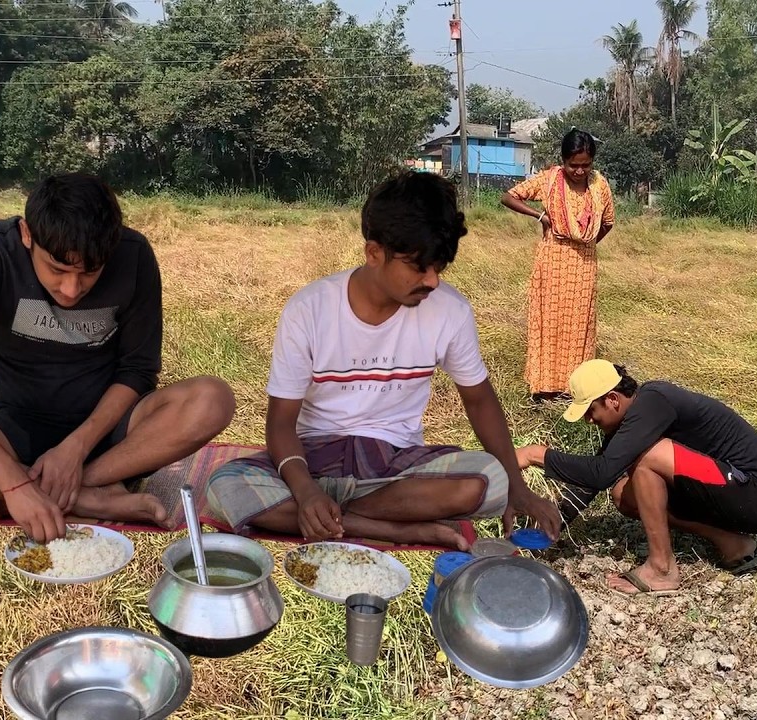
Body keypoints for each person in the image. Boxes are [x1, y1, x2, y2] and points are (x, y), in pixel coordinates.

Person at [205, 171, 560, 550]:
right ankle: (390, 528)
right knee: (223, 486)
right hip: (314, 456)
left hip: (395, 463)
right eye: (417, 266)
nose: (432, 282)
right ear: (374, 253)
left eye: (438, 268)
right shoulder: (309, 309)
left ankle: (333, 517)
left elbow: (479, 400)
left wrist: (518, 488)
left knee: (489, 480)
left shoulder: (450, 311)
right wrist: (306, 489)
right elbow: (280, 423)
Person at [0, 172, 237, 544]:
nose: (71, 289)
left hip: (112, 437)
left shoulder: (134, 255)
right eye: (57, 269)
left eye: (89, 273)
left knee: (213, 399)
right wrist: (12, 483)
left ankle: (76, 484)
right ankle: (82, 498)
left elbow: (138, 370)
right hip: (13, 429)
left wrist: (76, 449)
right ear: (27, 234)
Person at [516, 360, 757, 595]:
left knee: (647, 457)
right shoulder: (636, 416)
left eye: (590, 411)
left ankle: (661, 569)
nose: (589, 420)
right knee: (624, 494)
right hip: (729, 491)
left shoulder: (655, 402)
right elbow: (592, 482)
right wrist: (544, 533)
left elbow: (601, 472)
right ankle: (732, 542)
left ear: (612, 399)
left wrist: (536, 455)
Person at [501, 128, 615, 403]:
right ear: (563, 161)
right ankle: (545, 388)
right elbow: (509, 197)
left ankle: (574, 389)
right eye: (573, 165)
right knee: (550, 322)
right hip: (553, 262)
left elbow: (608, 221)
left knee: (579, 325)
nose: (579, 171)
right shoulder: (549, 180)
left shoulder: (599, 185)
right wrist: (540, 215)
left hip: (584, 267)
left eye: (585, 165)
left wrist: (587, 243)